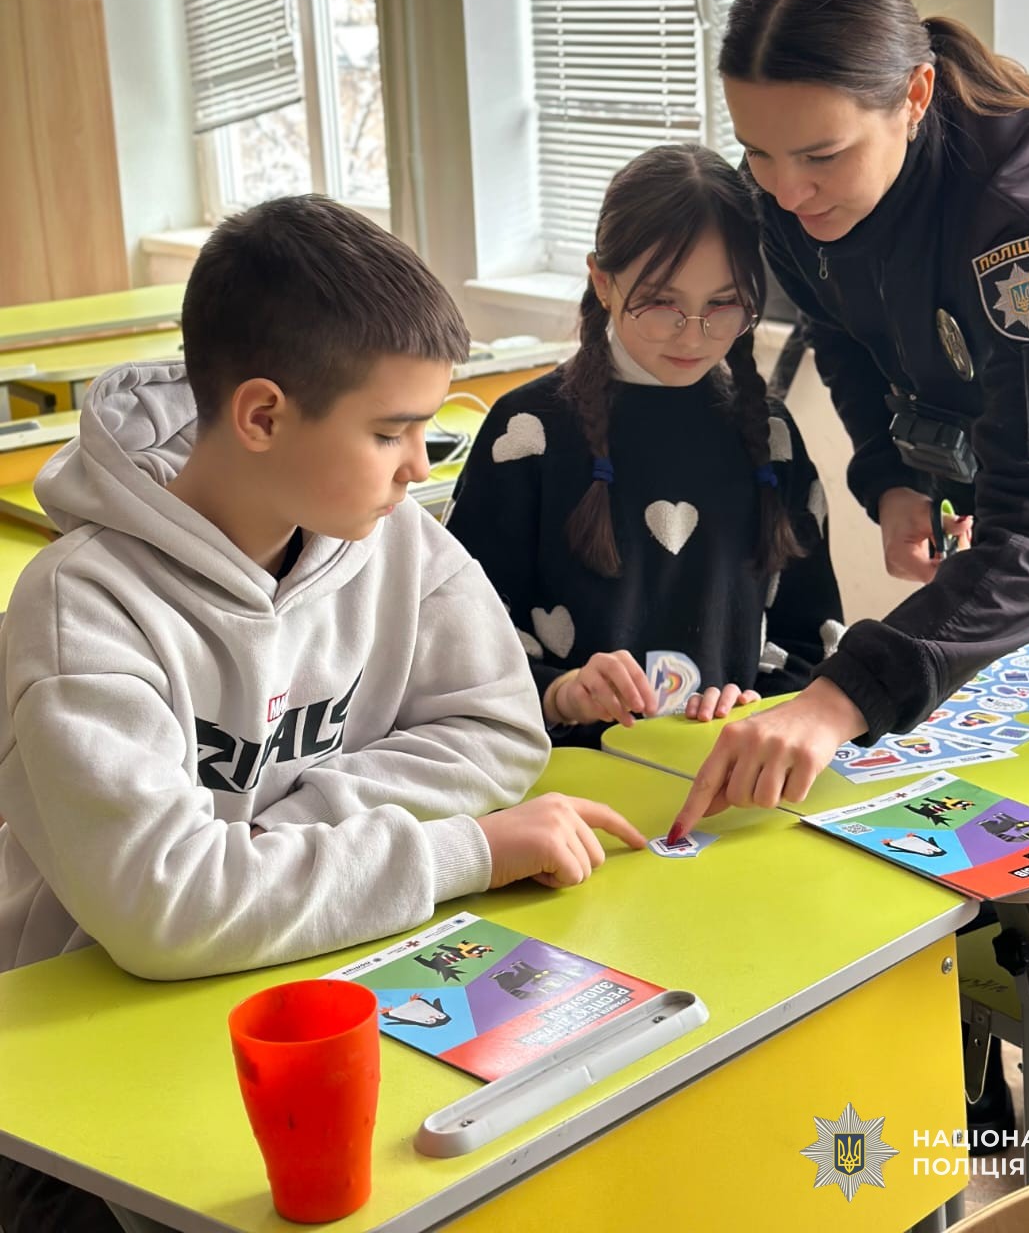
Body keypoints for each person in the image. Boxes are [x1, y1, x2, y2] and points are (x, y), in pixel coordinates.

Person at [0, 196, 643, 1232]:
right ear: (260, 416)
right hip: (81, 1077)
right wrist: (459, 851)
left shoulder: (394, 538)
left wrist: (263, 840)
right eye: (391, 431)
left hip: (317, 972)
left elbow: (500, 730)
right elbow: (166, 916)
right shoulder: (84, 609)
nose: (421, 467)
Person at [674, 0, 1029, 834]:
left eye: (821, 155)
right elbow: (836, 325)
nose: (787, 191)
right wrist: (889, 476)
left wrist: (838, 698)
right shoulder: (785, 192)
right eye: (757, 151)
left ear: (914, 97)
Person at [446, 144, 842, 746]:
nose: (693, 334)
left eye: (724, 304)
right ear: (603, 282)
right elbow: (455, 639)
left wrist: (760, 702)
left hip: (722, 775)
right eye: (661, 303)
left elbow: (814, 641)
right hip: (560, 781)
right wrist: (560, 689)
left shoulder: (772, 435)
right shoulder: (527, 430)